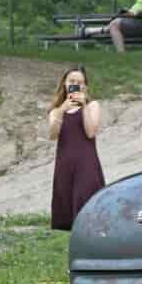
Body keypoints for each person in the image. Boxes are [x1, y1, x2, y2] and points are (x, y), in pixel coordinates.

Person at [48, 67, 105, 232]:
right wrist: (61, 110)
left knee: (86, 195)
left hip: (86, 161)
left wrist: (84, 105)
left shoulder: (93, 106)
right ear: (64, 84)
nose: (75, 84)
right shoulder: (56, 110)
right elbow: (52, 135)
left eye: (79, 82)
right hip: (64, 162)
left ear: (85, 86)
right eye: (72, 81)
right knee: (65, 198)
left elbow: (90, 132)